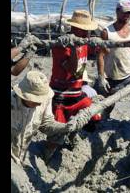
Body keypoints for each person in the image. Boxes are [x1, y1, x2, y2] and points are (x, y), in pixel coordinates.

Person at [11, 71, 91, 192]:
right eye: (35, 99)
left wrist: (66, 127)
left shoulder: (44, 101)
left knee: (60, 131)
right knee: (20, 186)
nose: (39, 102)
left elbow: (46, 124)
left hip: (22, 153)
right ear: (24, 95)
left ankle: (46, 157)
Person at [45, 10, 103, 160]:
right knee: (56, 135)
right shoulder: (61, 45)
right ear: (75, 28)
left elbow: (105, 50)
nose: (87, 33)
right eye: (85, 30)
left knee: (91, 117)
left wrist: (98, 42)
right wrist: (72, 48)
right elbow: (71, 68)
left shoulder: (83, 42)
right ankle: (46, 157)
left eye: (88, 30)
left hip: (77, 93)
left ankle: (72, 137)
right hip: (60, 95)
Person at [95, 0, 130, 118]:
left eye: (129, 13)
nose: (126, 15)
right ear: (117, 12)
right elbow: (100, 55)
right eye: (124, 12)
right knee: (108, 105)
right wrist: (101, 77)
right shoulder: (107, 32)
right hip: (111, 77)